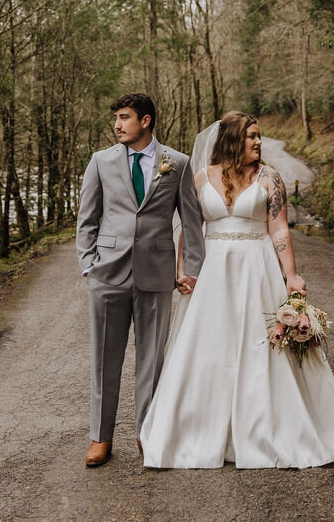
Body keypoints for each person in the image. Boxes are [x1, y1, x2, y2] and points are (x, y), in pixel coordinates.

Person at [139, 111, 334, 468]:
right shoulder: (202, 177)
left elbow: (278, 230)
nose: (259, 142)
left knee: (259, 347)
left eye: (259, 136)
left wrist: (291, 276)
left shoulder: (270, 178)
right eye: (252, 137)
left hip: (257, 268)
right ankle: (200, 428)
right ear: (232, 139)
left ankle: (265, 425)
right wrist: (183, 268)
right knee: (210, 343)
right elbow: (190, 225)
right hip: (213, 271)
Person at [76, 93, 205, 467]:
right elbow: (87, 218)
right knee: (105, 359)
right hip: (107, 275)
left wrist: (192, 270)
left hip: (157, 274)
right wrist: (89, 265)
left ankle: (147, 433)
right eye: (116, 117)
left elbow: (192, 222)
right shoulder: (100, 161)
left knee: (151, 360)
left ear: (145, 121)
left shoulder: (176, 163)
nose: (117, 124)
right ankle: (101, 438)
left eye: (124, 117)